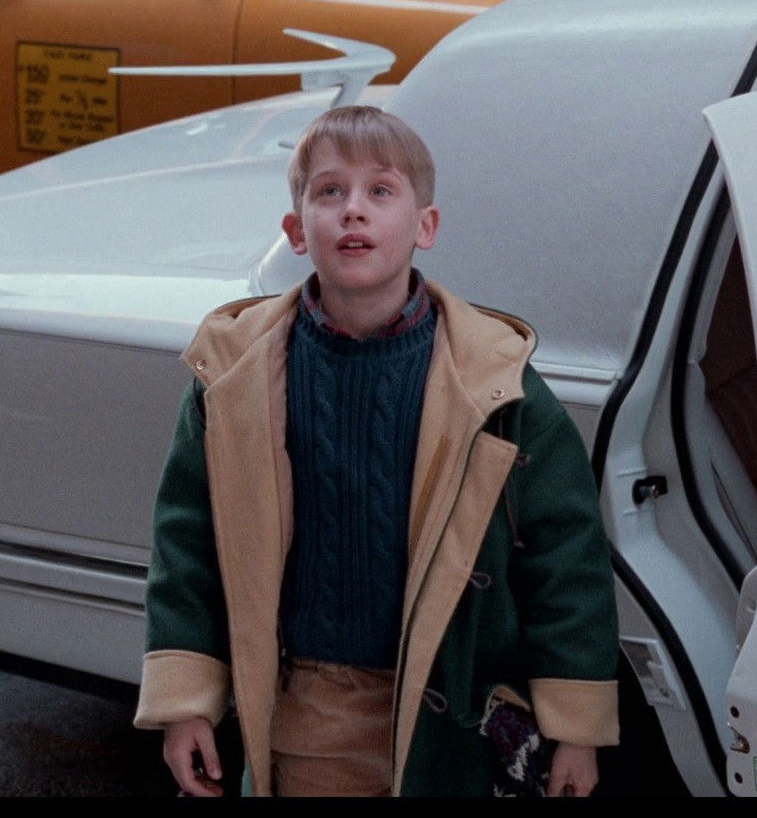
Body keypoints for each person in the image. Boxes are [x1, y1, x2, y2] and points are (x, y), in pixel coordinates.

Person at [133, 105, 619, 797]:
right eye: (329, 191)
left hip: (454, 720)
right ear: (296, 231)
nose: (353, 210)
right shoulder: (235, 376)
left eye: (380, 190)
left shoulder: (495, 382)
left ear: (425, 226)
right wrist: (186, 705)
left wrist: (575, 727)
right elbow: (188, 545)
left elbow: (565, 557)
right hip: (310, 714)